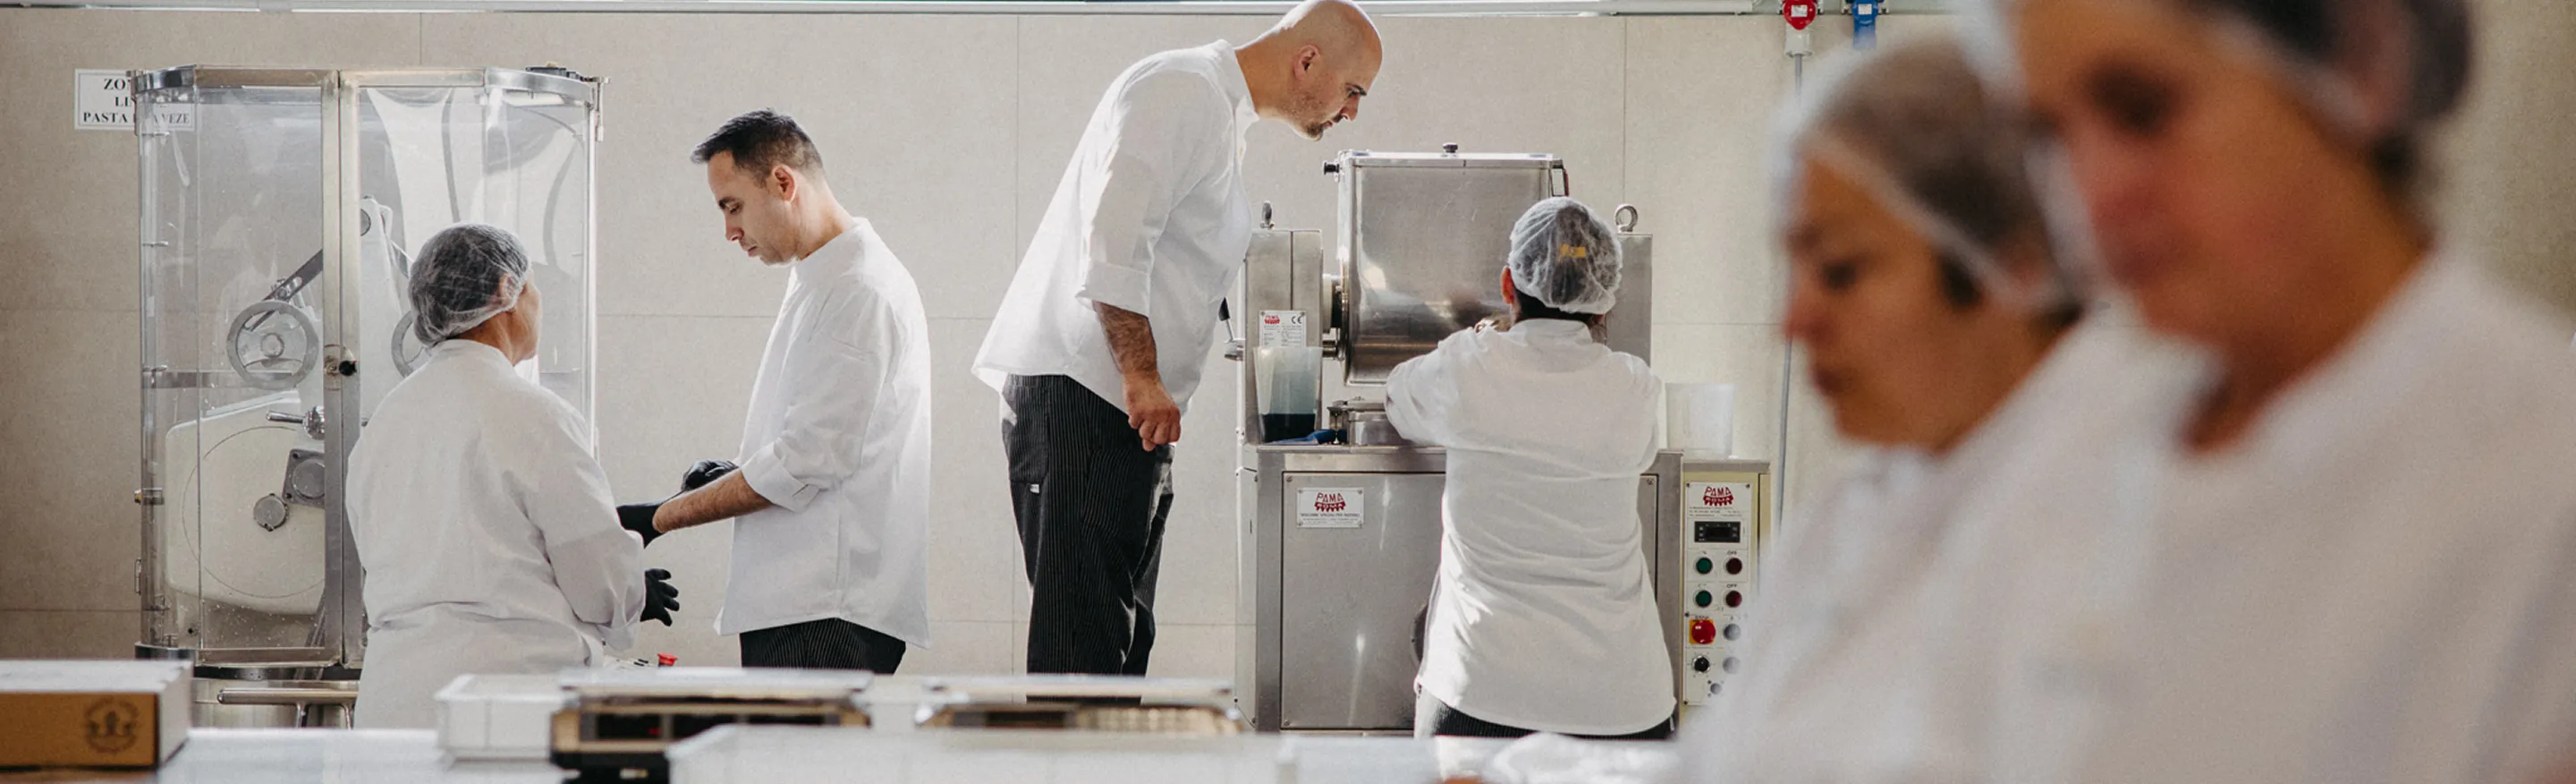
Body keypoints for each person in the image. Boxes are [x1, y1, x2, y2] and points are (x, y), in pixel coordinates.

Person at [1958, 0, 2576, 780]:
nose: (2091, 193)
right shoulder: (2061, 457)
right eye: (2044, 137)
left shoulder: (2543, 477)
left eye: (2145, 111)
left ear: (2358, 64)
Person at [1674, 37, 2193, 780]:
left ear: (2008, 264)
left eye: (1843, 270)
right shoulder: (1851, 518)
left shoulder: (2142, 524)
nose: (1794, 322)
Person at [972, 0, 1382, 676]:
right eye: (1353, 90)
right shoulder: (1180, 90)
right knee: (1085, 657)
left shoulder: (1221, 117)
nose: (1352, 111)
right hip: (1086, 398)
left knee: (1121, 645)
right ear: (1307, 61)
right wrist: (1142, 380)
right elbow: (1114, 243)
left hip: (1123, 415)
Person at [618, 110, 933, 672]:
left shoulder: (857, 290)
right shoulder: (823, 278)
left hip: (826, 615)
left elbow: (807, 462)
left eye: (732, 206)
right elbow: (810, 440)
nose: (729, 231)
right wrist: (738, 471)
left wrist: (659, 518)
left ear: (784, 183)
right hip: (805, 606)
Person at [346, 224, 678, 729]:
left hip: (393, 700)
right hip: (505, 698)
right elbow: (598, 580)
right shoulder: (533, 413)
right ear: (507, 290)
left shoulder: (385, 421)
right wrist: (631, 593)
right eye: (533, 289)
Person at [1379, 197, 1673, 740]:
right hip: (1622, 705)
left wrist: (1475, 337)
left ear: (1509, 286)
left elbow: (1399, 400)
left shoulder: (1467, 366)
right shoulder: (1636, 388)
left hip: (1483, 696)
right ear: (1604, 303)